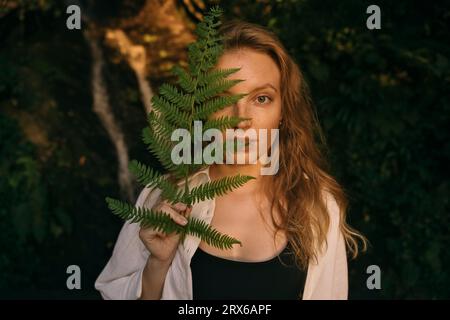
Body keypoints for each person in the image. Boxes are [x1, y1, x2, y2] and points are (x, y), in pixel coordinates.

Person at [95, 19, 366, 300]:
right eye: (222, 98)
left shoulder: (317, 205)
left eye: (261, 98)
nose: (241, 119)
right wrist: (157, 265)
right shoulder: (163, 196)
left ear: (284, 109)